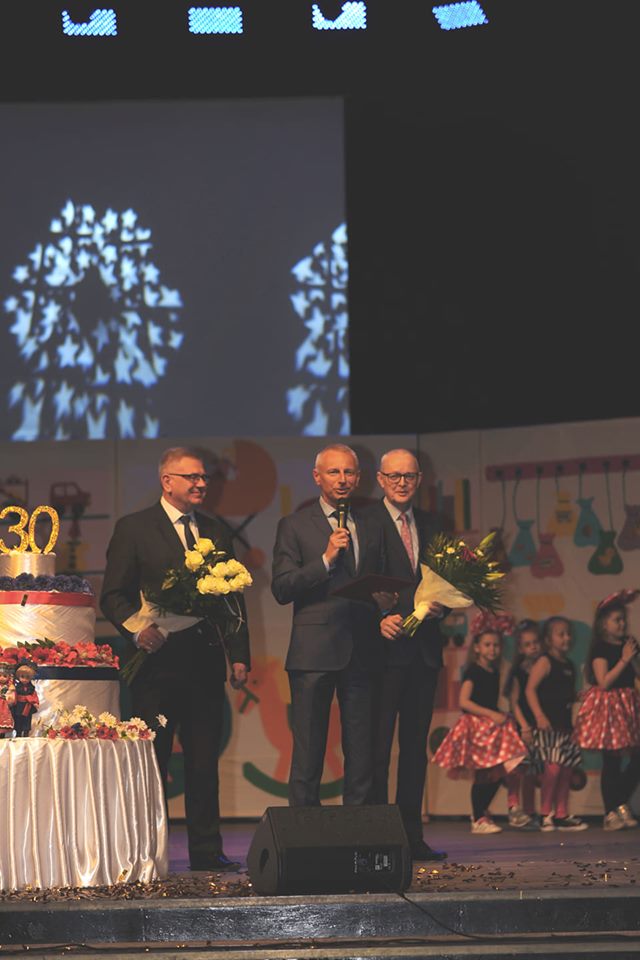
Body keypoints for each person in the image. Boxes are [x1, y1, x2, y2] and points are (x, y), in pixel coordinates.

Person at [100, 446, 251, 871]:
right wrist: (137, 630)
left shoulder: (215, 531)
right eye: (192, 477)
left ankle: (206, 851)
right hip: (156, 664)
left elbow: (233, 600)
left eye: (204, 477)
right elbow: (113, 595)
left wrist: (239, 655)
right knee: (154, 762)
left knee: (204, 762)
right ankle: (148, 851)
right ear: (167, 481)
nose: (201, 484)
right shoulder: (134, 528)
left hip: (204, 663)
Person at [271, 443, 386, 807]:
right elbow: (282, 588)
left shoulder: (372, 523)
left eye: (349, 472)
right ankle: (305, 828)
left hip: (362, 648)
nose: (342, 479)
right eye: (334, 472)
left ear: (359, 478)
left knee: (362, 751)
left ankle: (357, 828)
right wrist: (325, 559)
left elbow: (380, 580)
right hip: (313, 652)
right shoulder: (294, 525)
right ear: (317, 477)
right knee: (308, 751)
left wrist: (386, 602)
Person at [367, 448, 447, 861]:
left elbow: (450, 582)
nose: (402, 483)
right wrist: (377, 617)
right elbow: (353, 583)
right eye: (394, 476)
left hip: (423, 654)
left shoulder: (433, 524)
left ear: (419, 480)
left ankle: (411, 837)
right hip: (380, 654)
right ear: (380, 479)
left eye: (409, 476)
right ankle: (380, 838)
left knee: (415, 750)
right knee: (377, 751)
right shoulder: (364, 522)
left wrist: (443, 606)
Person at [432, 616, 526, 834]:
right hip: (478, 727)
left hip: (491, 727)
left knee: (499, 771)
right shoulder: (473, 671)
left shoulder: (494, 671)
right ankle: (478, 817)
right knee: (484, 774)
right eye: (487, 645)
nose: (492, 649)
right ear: (476, 647)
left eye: (496, 645)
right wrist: (491, 714)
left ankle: (482, 811)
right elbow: (464, 701)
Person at [574, 590, 640, 830]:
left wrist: (631, 657)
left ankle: (620, 802)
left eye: (623, 619)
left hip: (629, 705)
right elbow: (604, 682)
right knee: (611, 761)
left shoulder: (629, 645)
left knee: (636, 757)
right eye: (616, 620)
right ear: (604, 623)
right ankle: (610, 811)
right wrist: (624, 659)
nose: (622, 624)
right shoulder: (601, 648)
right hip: (610, 707)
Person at [525, 616, 587, 832]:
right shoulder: (545, 661)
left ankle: (561, 813)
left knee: (566, 770)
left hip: (565, 726)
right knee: (552, 770)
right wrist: (539, 716)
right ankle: (545, 814)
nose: (566, 638)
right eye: (561, 634)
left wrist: (578, 697)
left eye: (568, 634)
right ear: (548, 639)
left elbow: (564, 693)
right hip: (548, 726)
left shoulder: (569, 665)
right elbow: (530, 689)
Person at [503, 619, 542, 829]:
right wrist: (524, 726)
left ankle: (529, 810)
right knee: (517, 769)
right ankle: (514, 807)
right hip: (521, 726)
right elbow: (514, 702)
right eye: (528, 644)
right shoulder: (519, 671)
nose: (533, 647)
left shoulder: (543, 667)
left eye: (535, 642)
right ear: (520, 648)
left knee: (531, 771)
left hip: (537, 726)